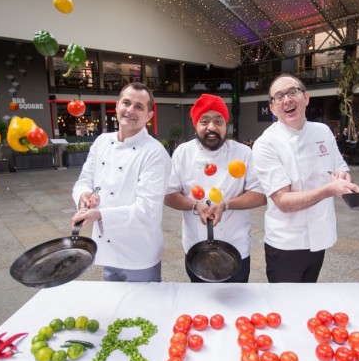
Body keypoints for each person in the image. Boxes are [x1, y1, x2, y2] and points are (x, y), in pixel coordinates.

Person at [252, 74, 359, 283]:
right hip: (286, 242)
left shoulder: (323, 131)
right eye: (279, 96)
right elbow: (283, 201)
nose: (287, 100)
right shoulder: (266, 144)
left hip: (320, 234)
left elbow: (340, 167)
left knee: (309, 299)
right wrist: (329, 190)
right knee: (284, 306)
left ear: (306, 97)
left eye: (293, 92)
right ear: (273, 107)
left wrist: (342, 176)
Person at [71, 82, 171, 282]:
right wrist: (83, 196)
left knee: (144, 311)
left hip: (139, 254)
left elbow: (147, 211)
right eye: (126, 103)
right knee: (116, 310)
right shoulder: (101, 142)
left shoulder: (155, 153)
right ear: (116, 106)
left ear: (149, 116)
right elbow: (84, 180)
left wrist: (99, 214)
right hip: (107, 250)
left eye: (139, 107)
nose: (130, 110)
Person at [164, 93, 266, 282]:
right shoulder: (182, 153)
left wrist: (226, 205)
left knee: (237, 303)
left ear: (226, 125)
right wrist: (195, 205)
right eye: (204, 121)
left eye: (218, 121)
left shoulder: (243, 153)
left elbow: (259, 195)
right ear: (195, 125)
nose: (211, 127)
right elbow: (169, 194)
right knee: (201, 303)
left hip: (236, 248)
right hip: (196, 248)